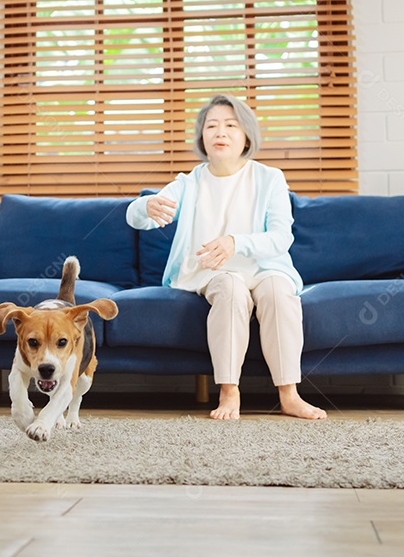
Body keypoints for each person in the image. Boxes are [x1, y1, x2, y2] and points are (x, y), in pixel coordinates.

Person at [126, 94, 327, 421]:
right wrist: (143, 207)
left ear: (246, 136)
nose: (220, 132)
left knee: (278, 291)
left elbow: (281, 237)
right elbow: (140, 218)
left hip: (264, 267)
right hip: (209, 271)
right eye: (212, 125)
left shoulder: (269, 178)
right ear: (202, 137)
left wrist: (237, 243)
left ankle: (289, 394)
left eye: (231, 125)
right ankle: (229, 391)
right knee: (231, 288)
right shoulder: (188, 182)